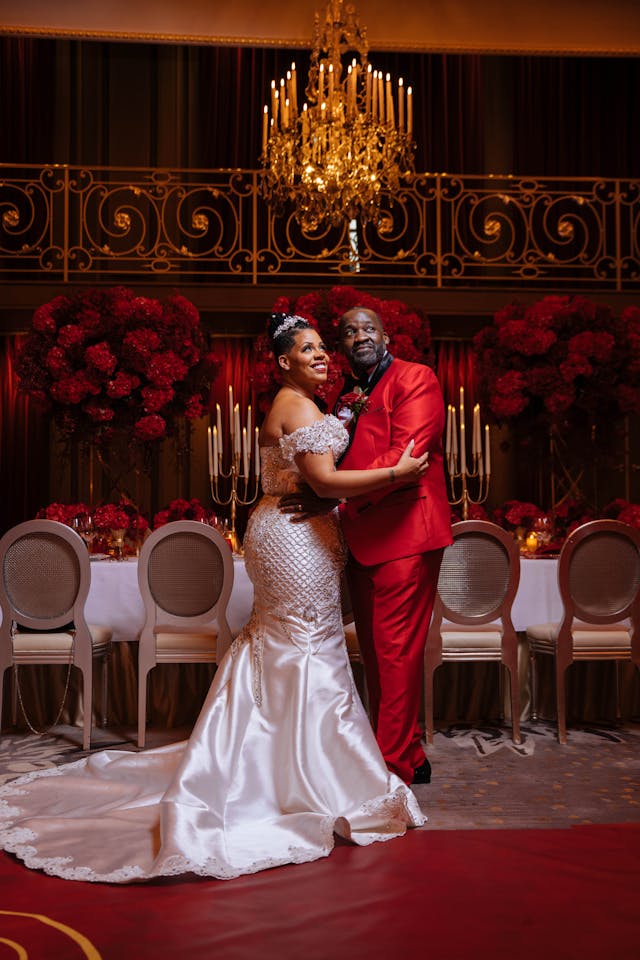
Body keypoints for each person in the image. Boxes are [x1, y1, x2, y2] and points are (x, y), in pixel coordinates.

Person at [0, 313, 429, 884]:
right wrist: (397, 474)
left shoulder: (307, 404)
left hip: (300, 533)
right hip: (294, 540)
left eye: (324, 347)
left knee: (294, 643)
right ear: (284, 362)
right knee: (302, 645)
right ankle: (306, 776)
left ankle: (287, 765)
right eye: (308, 349)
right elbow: (324, 483)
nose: (323, 355)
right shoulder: (296, 406)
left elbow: (318, 485)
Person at [282, 306, 452, 787]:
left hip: (405, 535)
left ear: (386, 335)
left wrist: (330, 490)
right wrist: (326, 492)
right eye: (350, 331)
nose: (360, 336)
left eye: (368, 328)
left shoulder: (416, 378)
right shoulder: (344, 395)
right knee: (378, 657)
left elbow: (407, 455)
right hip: (360, 535)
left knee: (395, 654)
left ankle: (390, 770)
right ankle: (410, 754)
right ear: (342, 346)